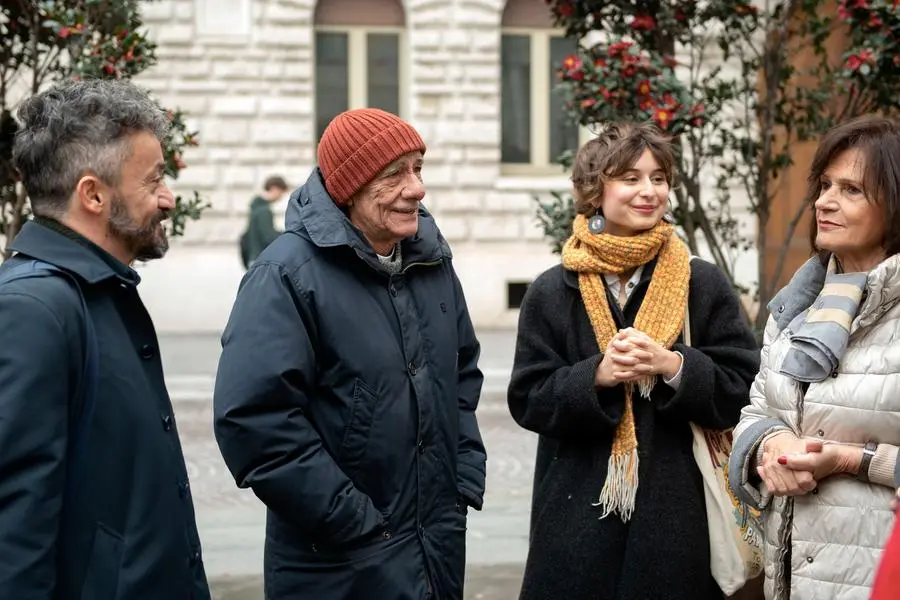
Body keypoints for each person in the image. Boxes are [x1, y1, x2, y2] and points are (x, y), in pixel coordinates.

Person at [213, 107, 486, 600]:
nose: (417, 188)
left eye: (418, 168)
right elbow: (255, 422)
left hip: (436, 547)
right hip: (339, 564)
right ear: (350, 187)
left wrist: (462, 477)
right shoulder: (285, 275)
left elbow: (461, 375)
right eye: (394, 174)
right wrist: (349, 518)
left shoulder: (432, 261)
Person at [507, 122, 759, 600]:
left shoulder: (699, 281)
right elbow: (528, 398)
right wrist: (596, 377)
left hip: (677, 525)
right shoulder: (552, 289)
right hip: (575, 520)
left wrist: (673, 366)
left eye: (659, 178)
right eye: (630, 178)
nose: (649, 191)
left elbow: (745, 387)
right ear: (594, 190)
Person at [0, 79, 210, 598]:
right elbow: (13, 536)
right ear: (92, 194)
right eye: (154, 179)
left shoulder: (97, 292)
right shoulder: (32, 311)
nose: (168, 197)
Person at [729, 115, 900, 600]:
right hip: (791, 580)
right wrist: (771, 447)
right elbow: (755, 413)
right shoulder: (796, 306)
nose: (825, 201)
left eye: (852, 190)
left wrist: (848, 459)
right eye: (825, 185)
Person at [239, 174, 288, 268]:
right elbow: (269, 237)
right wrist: (287, 235)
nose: (281, 197)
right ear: (275, 189)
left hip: (254, 257)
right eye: (281, 193)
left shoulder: (256, 207)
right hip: (261, 260)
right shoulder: (264, 211)